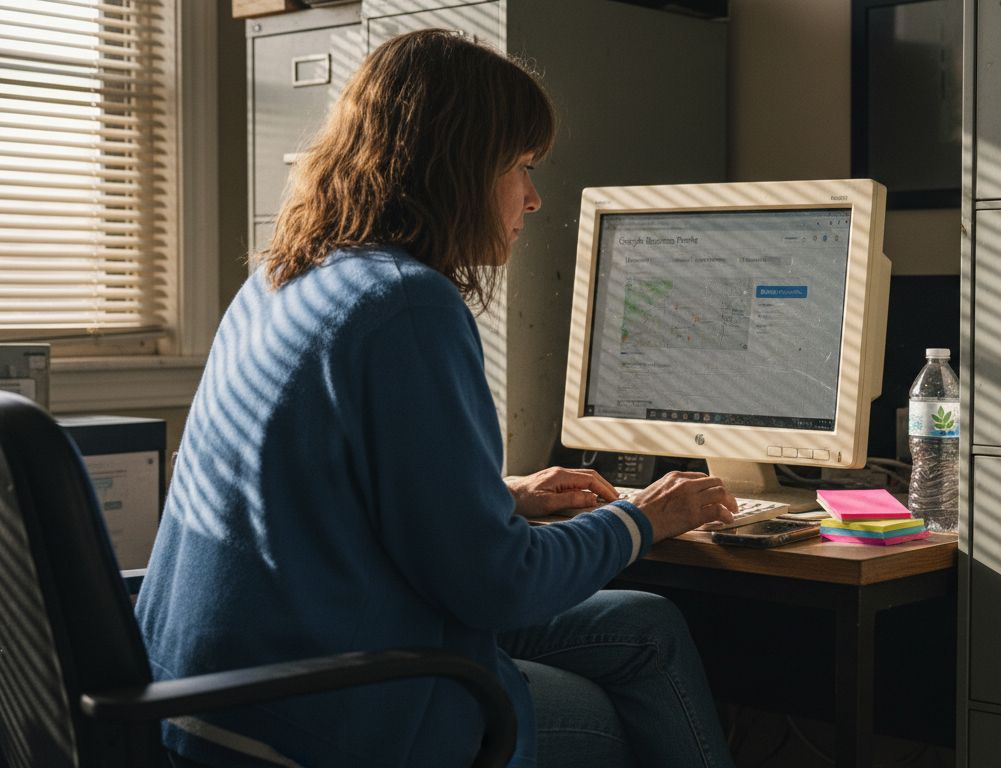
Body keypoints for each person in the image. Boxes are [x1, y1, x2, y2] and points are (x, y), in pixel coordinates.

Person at [135, 29, 738, 768]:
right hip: (300, 713)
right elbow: (498, 586)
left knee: (645, 624)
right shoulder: (405, 304)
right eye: (520, 166)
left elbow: (321, 491)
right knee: (605, 720)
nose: (533, 196)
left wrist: (506, 496)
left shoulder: (281, 279)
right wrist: (642, 519)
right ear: (457, 165)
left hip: (202, 691)